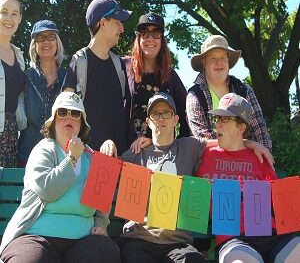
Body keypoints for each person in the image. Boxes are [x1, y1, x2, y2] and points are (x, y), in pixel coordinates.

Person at [101, 92, 273, 263]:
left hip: (177, 244)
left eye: (166, 113)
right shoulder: (135, 154)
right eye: (155, 114)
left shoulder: (189, 147)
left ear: (175, 120)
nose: (161, 118)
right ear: (148, 122)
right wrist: (108, 143)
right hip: (138, 240)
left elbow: (224, 142)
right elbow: (104, 175)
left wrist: (251, 144)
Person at [0, 91, 121, 263]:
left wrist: (100, 224)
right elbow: (48, 190)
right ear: (54, 120)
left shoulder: (91, 157)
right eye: (63, 113)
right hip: (36, 236)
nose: (69, 118)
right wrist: (72, 159)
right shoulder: (43, 150)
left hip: (82, 242)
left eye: (75, 114)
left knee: (106, 252)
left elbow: (102, 200)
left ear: (82, 124)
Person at [195, 93, 300, 263]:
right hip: (235, 240)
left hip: (275, 236)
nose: (218, 124)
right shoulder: (203, 156)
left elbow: (282, 206)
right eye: (217, 119)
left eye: (225, 119)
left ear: (241, 127)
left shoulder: (259, 157)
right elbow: (179, 147)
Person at [63, 0, 132, 155]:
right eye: (117, 22)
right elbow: (65, 115)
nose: (122, 29)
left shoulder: (118, 64)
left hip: (119, 160)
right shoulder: (79, 62)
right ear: (103, 22)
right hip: (87, 160)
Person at [186, 35, 272, 151]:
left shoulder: (244, 90)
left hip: (246, 161)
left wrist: (264, 153)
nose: (219, 63)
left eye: (222, 57)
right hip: (210, 161)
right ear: (203, 62)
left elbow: (259, 129)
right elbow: (202, 137)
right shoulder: (195, 95)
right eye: (213, 58)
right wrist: (248, 144)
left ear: (228, 60)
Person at [125, 12, 190, 142]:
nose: (150, 39)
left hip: (161, 153)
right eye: (145, 33)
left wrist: (179, 147)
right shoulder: (124, 68)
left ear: (162, 40)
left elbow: (186, 115)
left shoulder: (171, 76)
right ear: (139, 38)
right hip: (128, 151)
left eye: (156, 33)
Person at [17, 20, 66, 166]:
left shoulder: (68, 78)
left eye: (51, 36)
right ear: (34, 45)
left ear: (57, 43)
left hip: (59, 158)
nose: (46, 41)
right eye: (40, 37)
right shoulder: (25, 78)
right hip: (27, 156)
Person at [0, 0, 25, 167]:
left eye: (14, 14)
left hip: (10, 132)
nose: (9, 18)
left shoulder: (19, 56)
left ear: (20, 19)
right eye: (3, 12)